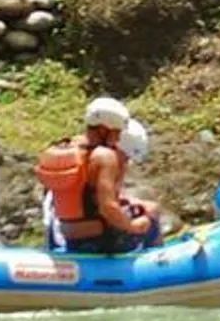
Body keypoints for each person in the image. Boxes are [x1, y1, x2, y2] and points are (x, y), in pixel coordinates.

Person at [39, 96, 156, 254]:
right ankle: (157, 263)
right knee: (151, 215)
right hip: (100, 240)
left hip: (70, 237)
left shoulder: (67, 148)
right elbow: (107, 208)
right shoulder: (105, 156)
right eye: (116, 132)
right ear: (103, 129)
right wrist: (133, 226)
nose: (118, 138)